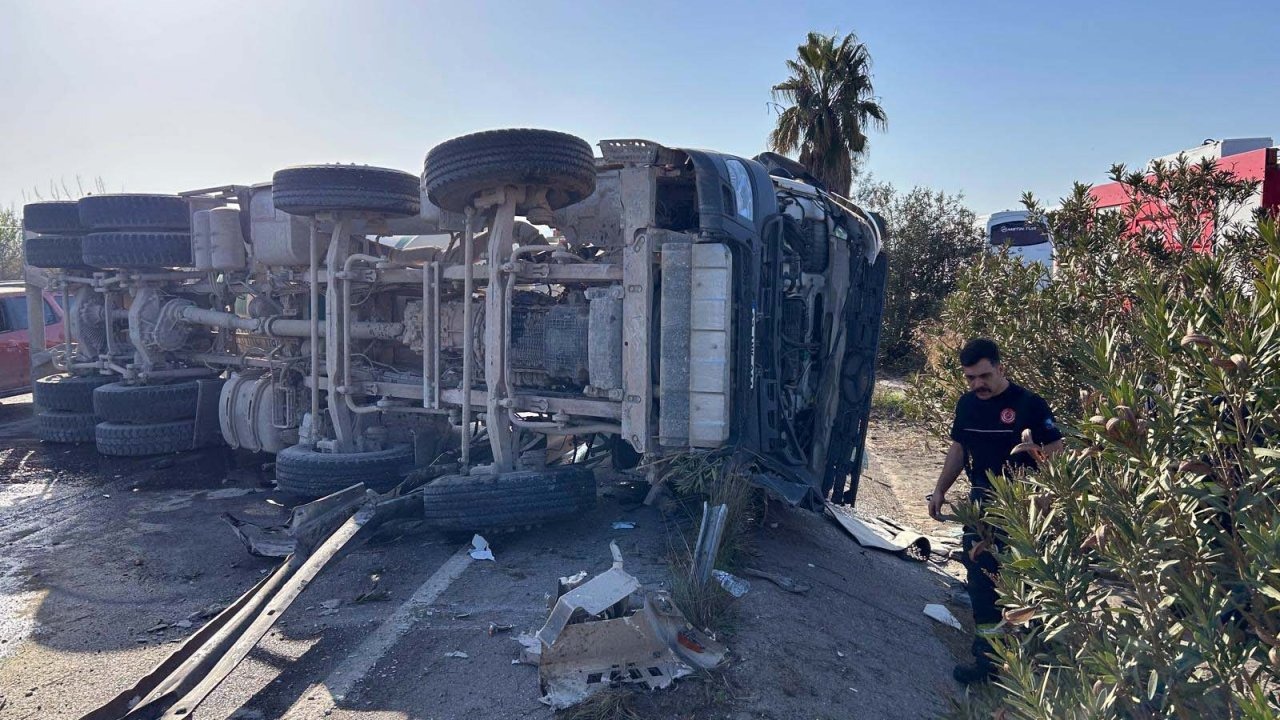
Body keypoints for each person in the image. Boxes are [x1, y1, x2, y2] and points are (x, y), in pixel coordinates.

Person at [927, 338, 1063, 684]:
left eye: (984, 376)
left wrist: (1045, 501)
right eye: (970, 378)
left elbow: (1057, 452)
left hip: (1026, 509)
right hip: (981, 506)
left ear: (1001, 368)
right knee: (982, 583)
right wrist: (940, 490)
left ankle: (1033, 667)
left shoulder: (1029, 404)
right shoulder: (967, 405)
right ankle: (987, 664)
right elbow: (959, 448)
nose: (977, 385)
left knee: (1029, 583)